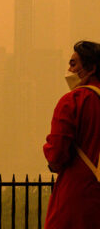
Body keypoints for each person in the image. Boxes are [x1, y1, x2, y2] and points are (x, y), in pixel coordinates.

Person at [44, 40, 100, 229]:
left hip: (76, 198)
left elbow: (56, 153)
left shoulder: (73, 101)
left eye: (74, 63)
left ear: (91, 68)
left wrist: (52, 162)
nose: (69, 69)